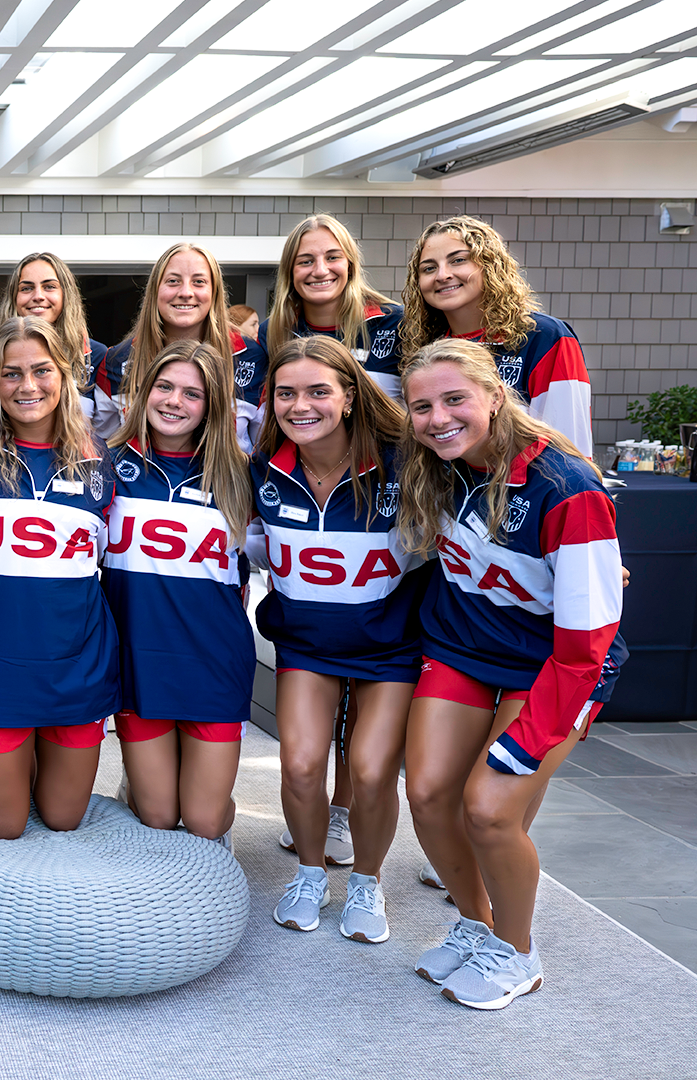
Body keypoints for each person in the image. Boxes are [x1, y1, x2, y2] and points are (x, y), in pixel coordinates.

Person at [395, 338, 621, 1010]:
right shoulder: (436, 465)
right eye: (422, 406)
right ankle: (477, 924)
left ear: (496, 395)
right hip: (466, 647)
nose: (438, 418)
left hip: (555, 665)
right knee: (430, 797)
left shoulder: (565, 487)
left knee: (490, 812)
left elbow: (585, 645)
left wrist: (525, 741)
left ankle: (519, 953)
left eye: (455, 399)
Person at [250, 336, 423, 943]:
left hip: (391, 649)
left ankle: (368, 881)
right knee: (299, 764)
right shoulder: (263, 466)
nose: (302, 405)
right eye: (286, 393)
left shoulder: (408, 461)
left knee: (373, 772)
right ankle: (308, 872)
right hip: (307, 645)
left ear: (349, 397)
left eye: (319, 391)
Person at [0, 317, 119, 840]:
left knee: (63, 819)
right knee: (4, 825)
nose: (28, 386)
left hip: (78, 664)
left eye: (42, 371)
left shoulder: (101, 462)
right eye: (11, 373)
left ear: (65, 377)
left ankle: (25, 758)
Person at [101, 338, 253, 844]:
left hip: (213, 660)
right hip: (137, 660)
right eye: (164, 387)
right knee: (160, 818)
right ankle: (149, 789)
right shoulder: (103, 467)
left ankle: (204, 800)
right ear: (143, 392)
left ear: (212, 407)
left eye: (192, 394)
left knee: (205, 821)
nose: (174, 401)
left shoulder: (239, 474)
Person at [401, 214, 593, 453]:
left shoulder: (544, 337)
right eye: (429, 268)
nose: (442, 275)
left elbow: (569, 442)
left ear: (489, 265)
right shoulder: (423, 347)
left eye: (458, 260)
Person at [95, 242, 269, 452]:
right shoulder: (117, 361)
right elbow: (102, 444)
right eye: (173, 281)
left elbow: (264, 449)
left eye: (198, 282)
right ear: (155, 291)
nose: (186, 292)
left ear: (214, 292)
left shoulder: (252, 358)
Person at [262, 214, 403, 399]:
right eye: (306, 261)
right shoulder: (272, 331)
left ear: (350, 265)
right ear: (290, 271)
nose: (320, 271)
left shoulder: (396, 323)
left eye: (333, 257)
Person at [0, 252, 111, 439]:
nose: (38, 296)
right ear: (13, 298)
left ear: (66, 294)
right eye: (26, 288)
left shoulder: (96, 355)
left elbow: (108, 432)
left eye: (49, 286)